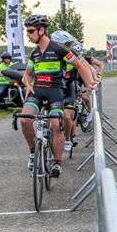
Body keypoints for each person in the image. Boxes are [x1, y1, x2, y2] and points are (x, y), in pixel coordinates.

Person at [20, 14, 96, 177]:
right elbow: (26, 75)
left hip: (55, 91)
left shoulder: (59, 48)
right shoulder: (34, 53)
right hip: (37, 91)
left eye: (31, 31)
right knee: (24, 119)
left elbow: (80, 65)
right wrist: (27, 83)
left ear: (42, 30)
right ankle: (33, 152)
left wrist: (89, 84)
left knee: (56, 124)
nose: (28, 35)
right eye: (27, 31)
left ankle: (57, 163)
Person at [50, 30, 80, 152]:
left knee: (67, 117)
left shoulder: (72, 55)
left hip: (68, 88)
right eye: (67, 45)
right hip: (53, 89)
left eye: (70, 45)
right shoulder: (49, 56)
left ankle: (67, 138)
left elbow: (84, 66)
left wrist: (92, 80)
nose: (69, 48)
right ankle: (45, 137)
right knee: (45, 116)